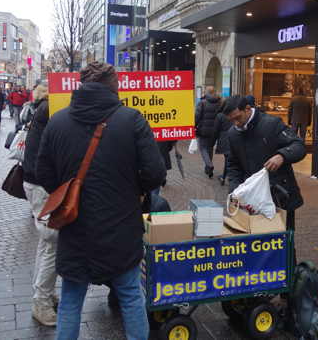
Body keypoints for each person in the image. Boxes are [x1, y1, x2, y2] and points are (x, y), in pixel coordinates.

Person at [36, 62, 166, 340]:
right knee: (131, 295)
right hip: (121, 224)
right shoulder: (131, 119)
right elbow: (155, 173)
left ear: (81, 84)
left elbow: (42, 172)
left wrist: (68, 192)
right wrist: (134, 190)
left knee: (71, 298)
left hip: (74, 225)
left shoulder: (58, 121)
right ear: (113, 84)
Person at [222, 95, 305, 230]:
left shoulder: (272, 124)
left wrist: (282, 156)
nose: (236, 123)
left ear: (248, 109)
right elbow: (233, 165)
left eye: (238, 118)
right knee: (258, 241)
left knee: (284, 242)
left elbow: (298, 145)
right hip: (251, 198)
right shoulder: (233, 134)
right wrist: (234, 191)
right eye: (232, 121)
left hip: (279, 196)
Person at [20, 83, 58, 327]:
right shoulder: (50, 110)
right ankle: (41, 302)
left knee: (47, 243)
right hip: (43, 186)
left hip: (36, 183)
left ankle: (44, 292)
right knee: (53, 243)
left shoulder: (42, 108)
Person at [194, 85, 221, 178]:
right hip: (215, 130)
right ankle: (208, 169)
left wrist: (193, 126)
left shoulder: (202, 102)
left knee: (203, 148)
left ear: (206, 92)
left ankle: (209, 165)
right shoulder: (219, 102)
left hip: (203, 130)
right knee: (209, 148)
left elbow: (197, 116)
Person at [213, 104, 233, 187]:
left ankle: (225, 177)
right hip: (232, 138)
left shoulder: (220, 116)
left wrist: (213, 141)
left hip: (225, 140)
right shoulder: (233, 114)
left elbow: (216, 130)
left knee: (228, 160)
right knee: (229, 159)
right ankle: (225, 176)